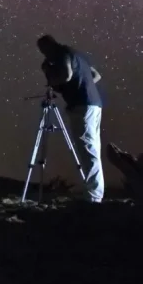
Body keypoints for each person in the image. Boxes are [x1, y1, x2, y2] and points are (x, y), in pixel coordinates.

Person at [36, 34, 104, 203]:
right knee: (92, 148)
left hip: (82, 105)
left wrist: (49, 74)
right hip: (94, 104)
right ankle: (95, 193)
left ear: (48, 47)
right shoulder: (74, 53)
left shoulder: (61, 54)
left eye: (43, 51)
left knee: (88, 149)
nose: (45, 55)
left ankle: (94, 197)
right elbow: (96, 75)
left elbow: (66, 75)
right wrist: (81, 85)